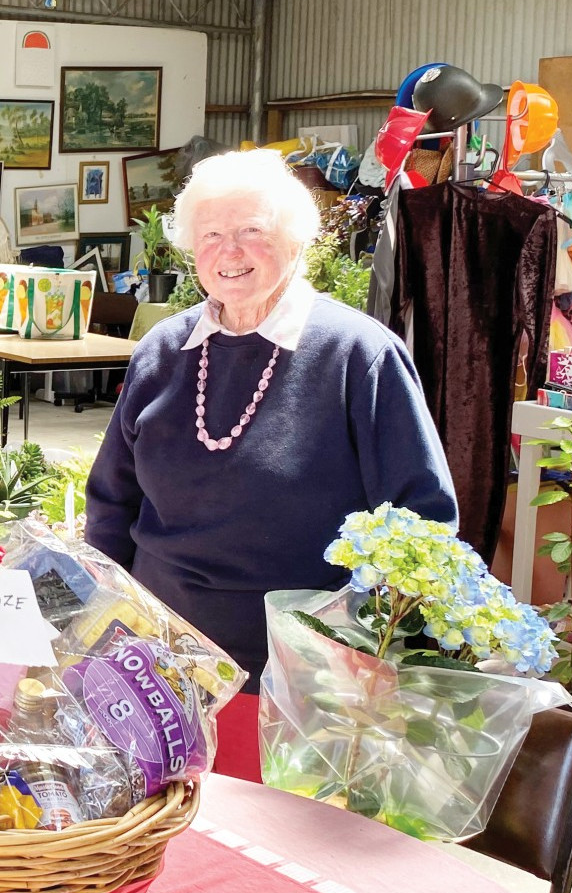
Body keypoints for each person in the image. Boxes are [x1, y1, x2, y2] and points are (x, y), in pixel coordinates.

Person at [84, 152, 457, 782]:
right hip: (156, 672)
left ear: (295, 238)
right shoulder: (163, 350)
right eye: (211, 234)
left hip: (297, 684)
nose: (230, 249)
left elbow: (422, 524)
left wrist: (361, 655)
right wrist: (98, 634)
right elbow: (111, 506)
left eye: (252, 229)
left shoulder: (359, 356)